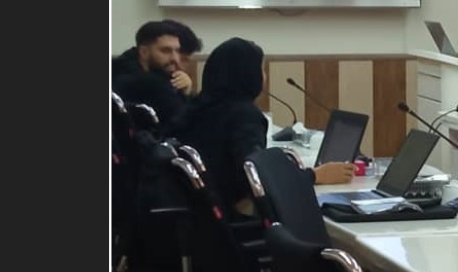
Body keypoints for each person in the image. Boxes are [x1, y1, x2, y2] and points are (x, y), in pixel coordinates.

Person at [168, 38, 355, 213]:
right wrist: (314, 175)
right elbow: (254, 178)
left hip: (197, 214)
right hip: (231, 215)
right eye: (261, 69)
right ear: (248, 74)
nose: (264, 77)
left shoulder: (196, 107)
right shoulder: (243, 115)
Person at [112, 19, 202, 125]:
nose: (175, 59)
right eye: (166, 51)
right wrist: (186, 94)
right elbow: (189, 125)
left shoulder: (121, 67)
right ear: (144, 52)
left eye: (177, 51)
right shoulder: (153, 83)